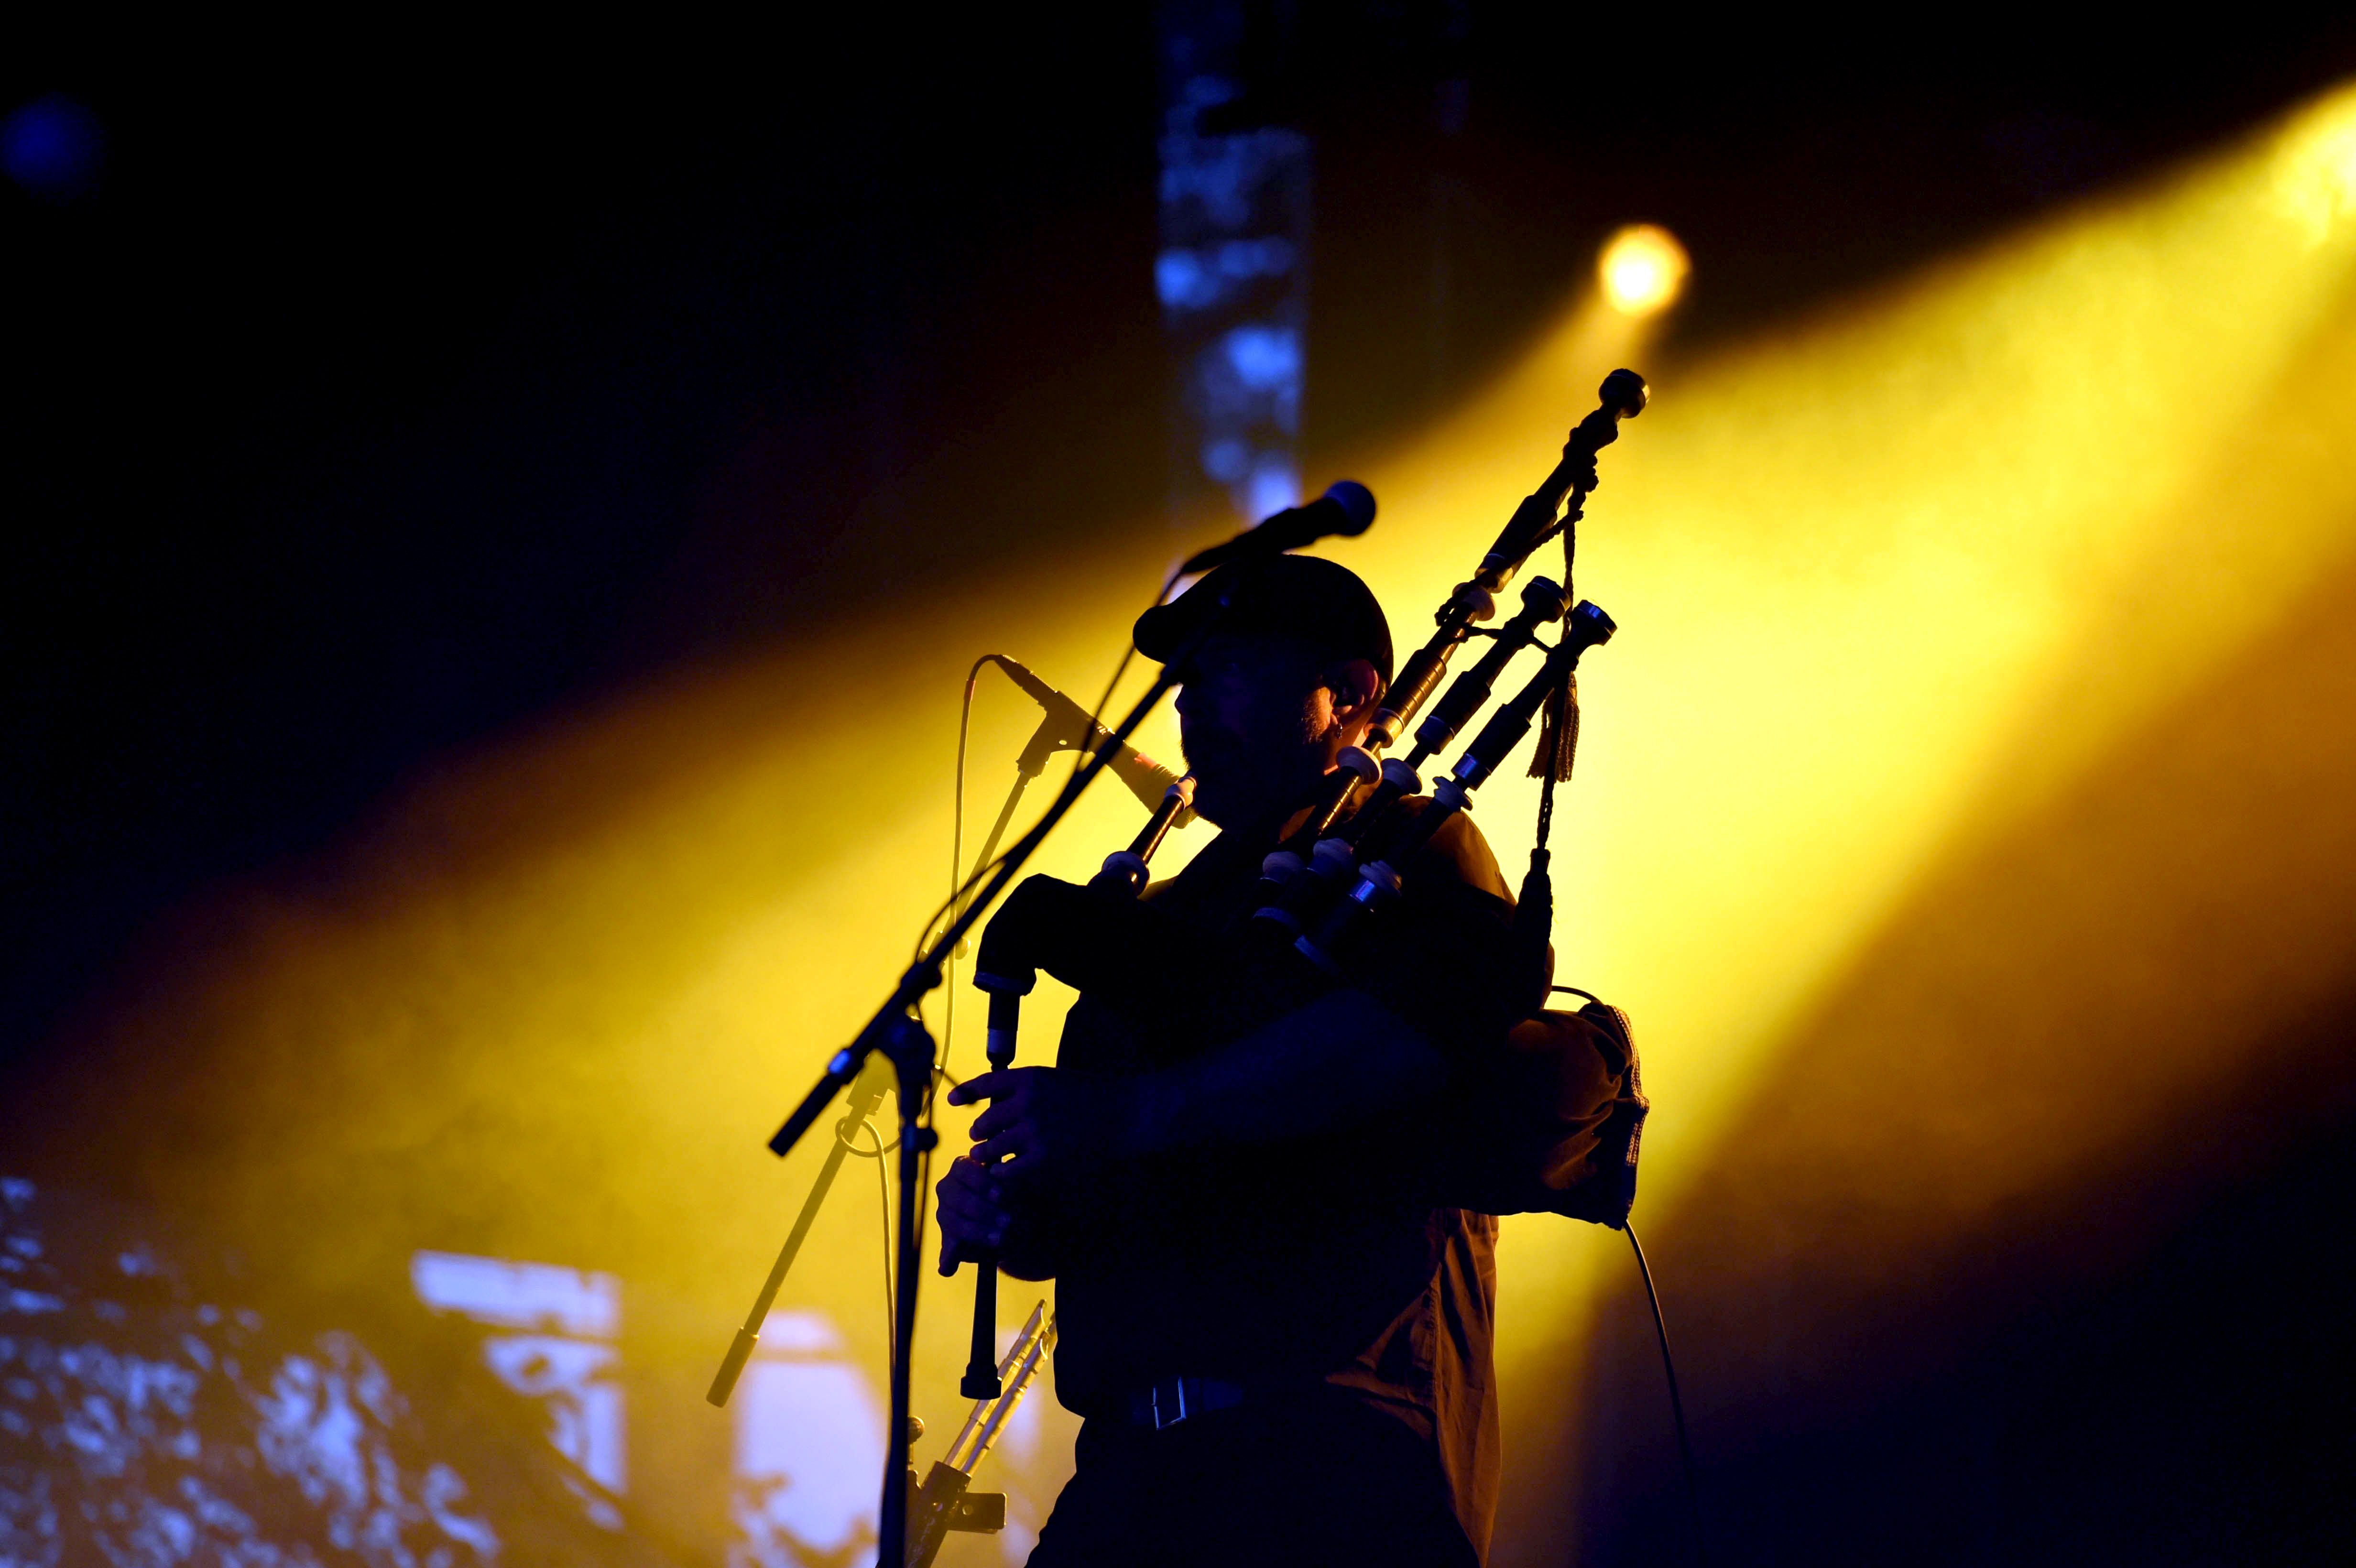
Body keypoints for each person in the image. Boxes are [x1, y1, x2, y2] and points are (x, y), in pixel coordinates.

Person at [937, 555, 1593, 1566]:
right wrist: (1021, 1214)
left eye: (1232, 669)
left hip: (1326, 1460)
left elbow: (1397, 1050)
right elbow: (1158, 1184)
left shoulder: (1415, 849)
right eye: (1187, 680)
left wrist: (1127, 1112)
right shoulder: (1176, 912)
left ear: (1353, 699)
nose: (1194, 706)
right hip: (1134, 1467)